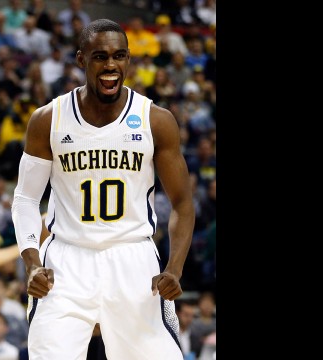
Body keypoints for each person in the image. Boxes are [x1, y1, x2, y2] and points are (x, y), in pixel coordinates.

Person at [11, 19, 195, 359]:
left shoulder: (156, 120)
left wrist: (174, 268)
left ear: (128, 60)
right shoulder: (47, 119)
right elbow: (25, 198)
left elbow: (183, 203)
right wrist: (31, 262)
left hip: (134, 259)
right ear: (82, 60)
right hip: (66, 262)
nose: (111, 65)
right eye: (100, 56)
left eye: (119, 56)